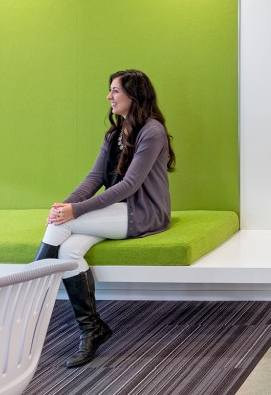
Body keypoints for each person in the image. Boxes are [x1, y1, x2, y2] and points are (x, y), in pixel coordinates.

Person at [33, 69, 175, 368]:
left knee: (64, 223)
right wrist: (65, 204)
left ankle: (27, 301)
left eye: (115, 91)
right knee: (69, 249)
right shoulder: (113, 134)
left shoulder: (152, 131)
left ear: (134, 95)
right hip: (115, 213)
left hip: (143, 213)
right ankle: (92, 329)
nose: (109, 97)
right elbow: (95, 177)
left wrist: (73, 212)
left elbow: (130, 185)